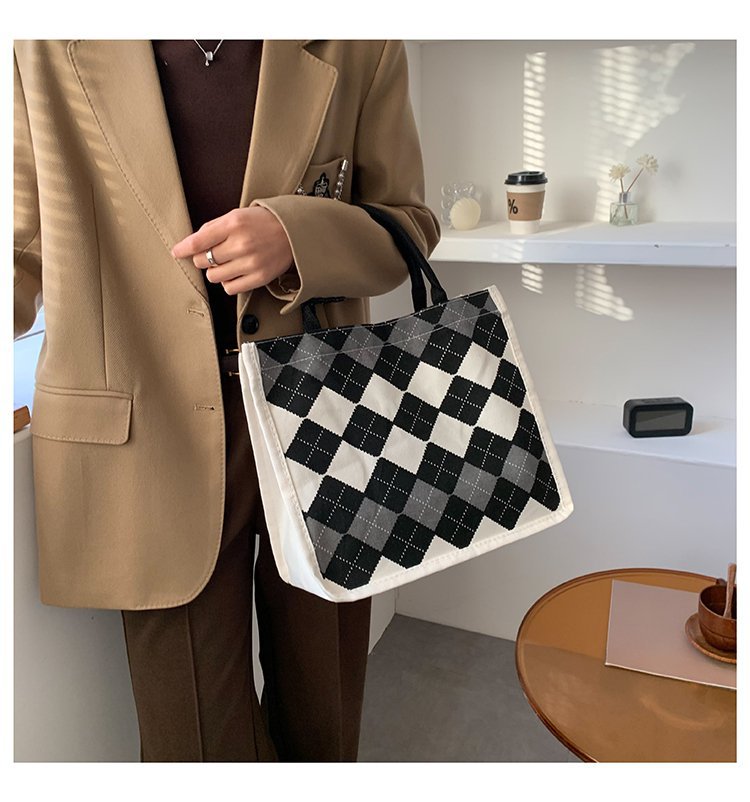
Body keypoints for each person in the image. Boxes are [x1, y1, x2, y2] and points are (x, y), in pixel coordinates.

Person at [13, 38, 440, 762]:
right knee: (192, 745)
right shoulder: (49, 41)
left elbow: (410, 224)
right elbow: (21, 243)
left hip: (325, 414)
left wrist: (297, 236)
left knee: (324, 716)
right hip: (148, 432)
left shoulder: (356, 39)